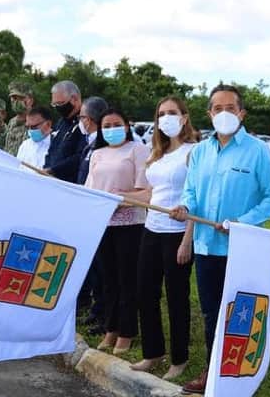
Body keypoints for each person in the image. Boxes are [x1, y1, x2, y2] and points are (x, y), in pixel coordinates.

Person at [170, 84, 270, 395]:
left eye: (230, 108)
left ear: (241, 113)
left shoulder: (257, 150)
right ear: (209, 114)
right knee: (211, 312)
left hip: (243, 247)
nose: (224, 114)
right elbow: (191, 192)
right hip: (207, 246)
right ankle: (213, 371)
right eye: (217, 109)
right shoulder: (200, 152)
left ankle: (241, 374)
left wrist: (242, 223)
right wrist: (185, 208)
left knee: (241, 311)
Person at [133, 96, 198, 381]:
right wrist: (117, 197)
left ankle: (179, 358)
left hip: (177, 235)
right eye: (161, 113)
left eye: (172, 113)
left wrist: (187, 240)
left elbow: (197, 197)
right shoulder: (156, 154)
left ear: (184, 118)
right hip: (152, 229)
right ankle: (153, 352)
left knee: (176, 297)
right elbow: (151, 194)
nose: (166, 118)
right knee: (145, 292)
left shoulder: (193, 152)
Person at [85, 107, 151, 354]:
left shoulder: (138, 150)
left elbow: (146, 192)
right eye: (106, 125)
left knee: (127, 279)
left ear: (126, 126)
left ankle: (127, 330)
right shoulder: (97, 154)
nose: (111, 129)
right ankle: (110, 327)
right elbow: (89, 188)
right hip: (104, 224)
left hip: (130, 224)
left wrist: (118, 198)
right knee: (108, 279)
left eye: (116, 124)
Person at [76, 96, 108, 331]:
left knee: (103, 269)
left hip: (104, 216)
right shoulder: (90, 142)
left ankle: (104, 313)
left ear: (92, 119)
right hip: (88, 211)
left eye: (82, 117)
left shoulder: (103, 144)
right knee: (95, 266)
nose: (81, 121)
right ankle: (98, 310)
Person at [46, 80, 88, 183]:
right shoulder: (61, 122)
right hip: (52, 180)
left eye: (60, 103)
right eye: (54, 104)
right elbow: (52, 149)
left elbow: (82, 155)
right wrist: (46, 167)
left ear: (74, 99)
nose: (57, 108)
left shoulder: (85, 122)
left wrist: (54, 170)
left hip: (72, 183)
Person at [15, 105, 54, 170]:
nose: (30, 130)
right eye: (28, 127)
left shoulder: (56, 145)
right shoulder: (25, 145)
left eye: (34, 127)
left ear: (48, 124)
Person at [5, 80, 35, 156]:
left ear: (30, 100)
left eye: (21, 98)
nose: (16, 102)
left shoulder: (37, 122)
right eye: (14, 98)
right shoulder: (12, 122)